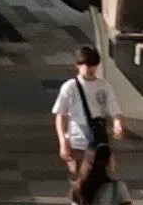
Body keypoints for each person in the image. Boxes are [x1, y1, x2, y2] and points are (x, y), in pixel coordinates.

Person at [52, 43, 123, 173]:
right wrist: (63, 142)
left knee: (100, 176)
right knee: (81, 178)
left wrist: (117, 122)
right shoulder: (70, 87)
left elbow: (113, 107)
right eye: (87, 65)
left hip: (99, 140)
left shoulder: (103, 85)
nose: (91, 69)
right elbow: (60, 115)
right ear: (78, 66)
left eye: (94, 65)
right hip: (77, 142)